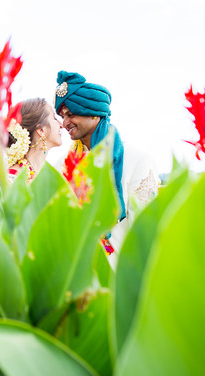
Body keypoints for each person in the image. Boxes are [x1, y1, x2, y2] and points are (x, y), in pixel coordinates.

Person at [54, 71, 160, 268]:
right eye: (61, 116)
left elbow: (146, 233)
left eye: (71, 113)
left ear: (94, 112)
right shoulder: (61, 166)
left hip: (119, 278)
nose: (65, 122)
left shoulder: (136, 161)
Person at [7, 97, 63, 183]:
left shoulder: (51, 177)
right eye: (54, 118)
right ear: (41, 130)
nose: (61, 124)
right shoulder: (12, 179)